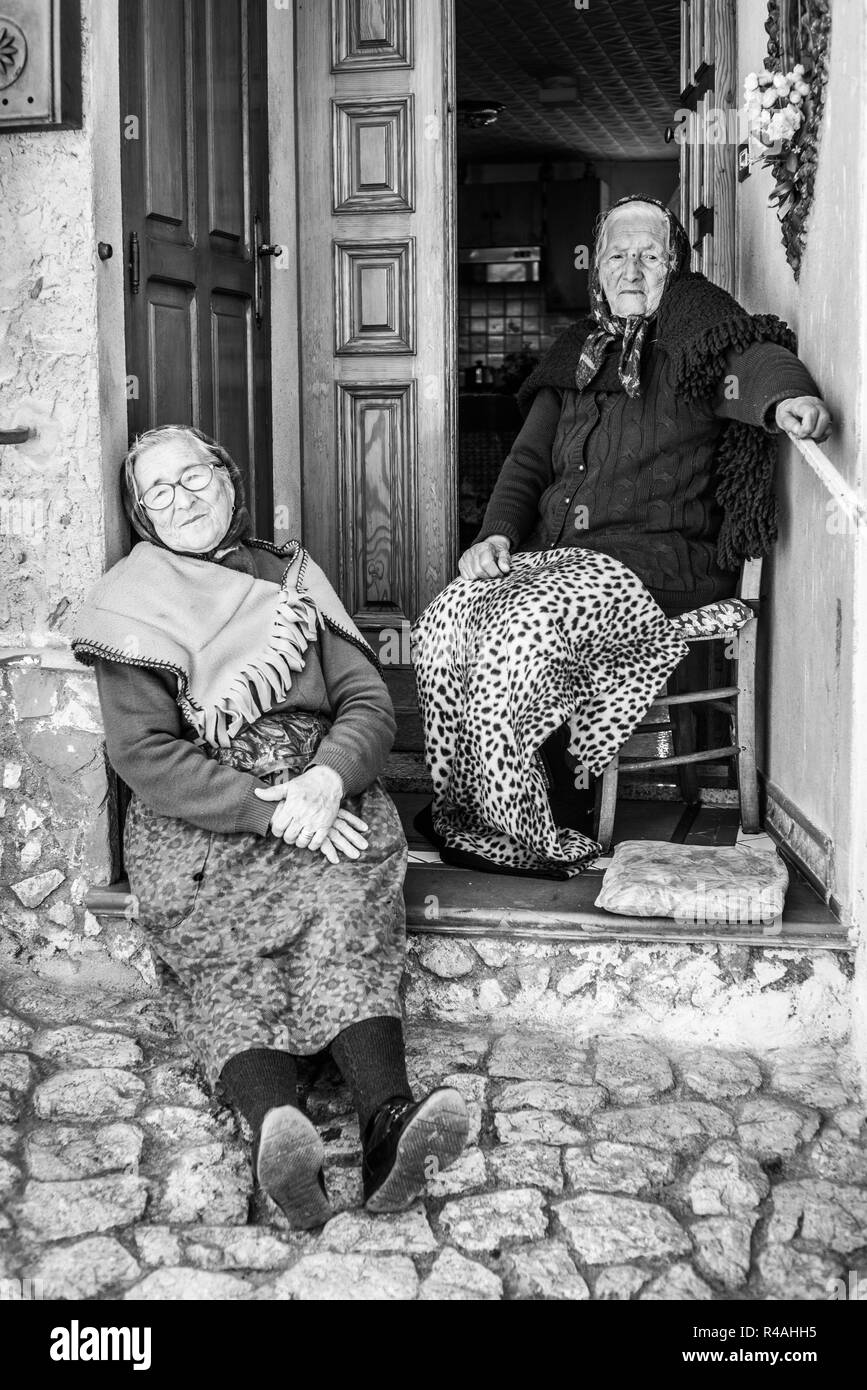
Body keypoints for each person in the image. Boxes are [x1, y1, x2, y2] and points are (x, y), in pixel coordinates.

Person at [72, 425, 468, 1229]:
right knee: (226, 931)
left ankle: (386, 1121)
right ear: (141, 512)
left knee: (347, 897)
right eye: (160, 491)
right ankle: (276, 1136)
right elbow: (142, 752)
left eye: (196, 477)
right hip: (209, 811)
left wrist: (325, 779)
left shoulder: (291, 576)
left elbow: (365, 702)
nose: (183, 499)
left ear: (228, 475)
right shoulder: (130, 603)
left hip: (323, 792)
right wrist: (269, 809)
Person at [456, 194, 832, 823]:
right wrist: (495, 535)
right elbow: (526, 464)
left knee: (530, 620)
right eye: (616, 255)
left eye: (649, 256)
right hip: (565, 568)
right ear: (596, 269)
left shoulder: (697, 330)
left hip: (661, 567)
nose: (631, 270)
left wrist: (787, 399)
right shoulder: (576, 348)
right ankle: (485, 803)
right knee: (458, 610)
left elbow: (755, 357)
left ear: (675, 265)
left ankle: (549, 807)